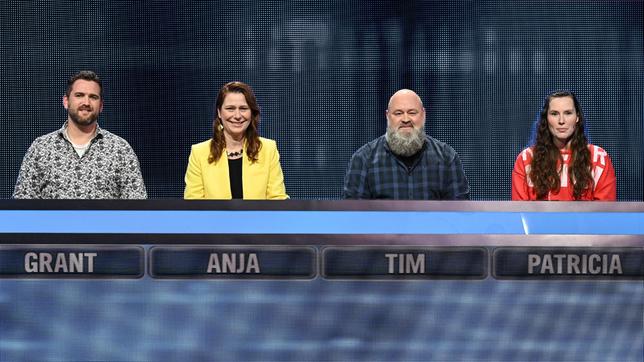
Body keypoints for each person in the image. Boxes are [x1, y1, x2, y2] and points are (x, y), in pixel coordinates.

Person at [13, 71, 147, 199]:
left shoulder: (120, 150)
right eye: (79, 95)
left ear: (101, 106)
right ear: (66, 101)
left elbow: (137, 207)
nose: (86, 103)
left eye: (93, 97)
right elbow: (21, 205)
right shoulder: (41, 148)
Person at [343, 89, 470, 199]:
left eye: (412, 113)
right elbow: (353, 220)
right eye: (398, 113)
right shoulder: (363, 160)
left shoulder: (447, 158)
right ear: (388, 116)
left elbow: (460, 218)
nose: (405, 119)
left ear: (423, 115)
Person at [184, 81, 287, 199]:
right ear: (219, 112)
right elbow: (193, 205)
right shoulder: (199, 153)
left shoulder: (268, 149)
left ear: (251, 112)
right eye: (230, 108)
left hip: (258, 218)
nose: (237, 115)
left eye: (243, 108)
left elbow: (278, 201)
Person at [512, 90, 616, 201]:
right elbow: (519, 213)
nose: (561, 121)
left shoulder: (599, 158)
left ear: (577, 117)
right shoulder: (526, 159)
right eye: (554, 114)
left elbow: (605, 213)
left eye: (568, 113)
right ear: (546, 119)